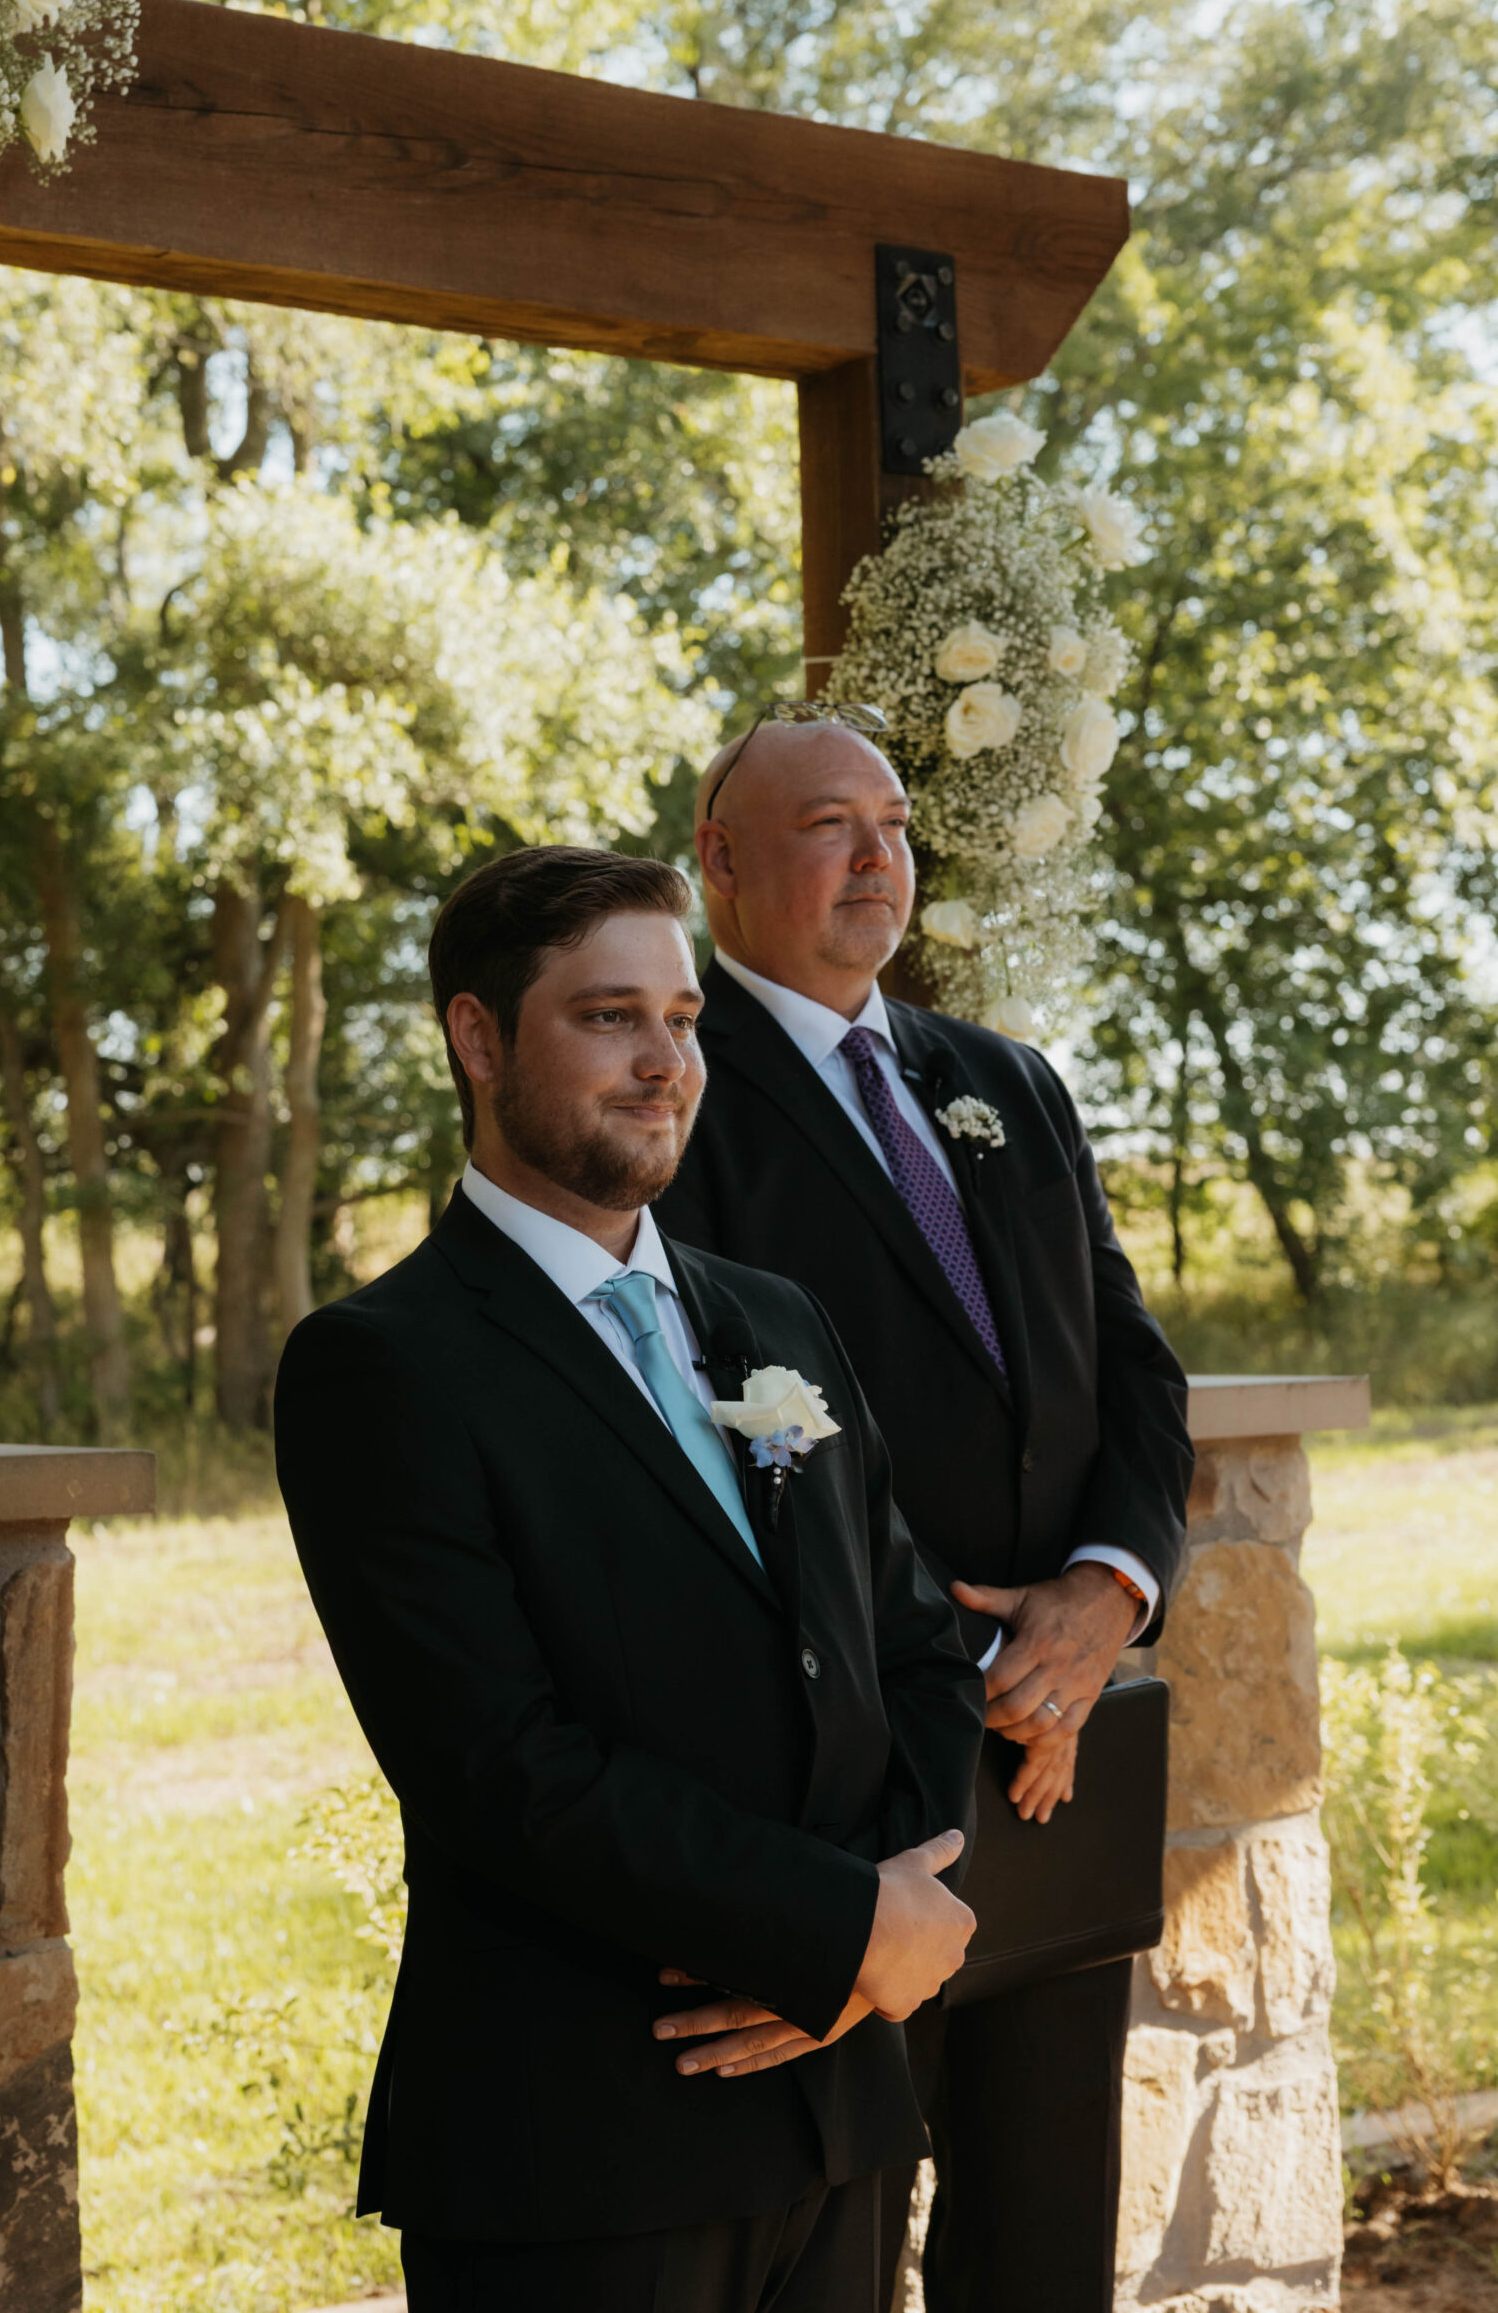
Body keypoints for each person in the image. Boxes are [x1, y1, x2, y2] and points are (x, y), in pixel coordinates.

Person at [275, 843, 988, 2313]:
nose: (666, 1062)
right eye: (610, 1018)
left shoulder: (776, 1318)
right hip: (586, 2145)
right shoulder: (384, 1367)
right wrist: (828, 1931)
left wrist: (870, 1942)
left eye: (682, 1019)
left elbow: (912, 1648)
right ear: (479, 1040)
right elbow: (498, 1768)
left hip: (839, 2111)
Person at [654, 708, 1195, 2313]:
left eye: (892, 825)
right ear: (721, 859)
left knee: (1043, 2237)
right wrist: (948, 1660)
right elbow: (680, 1440)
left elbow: (1132, 1366)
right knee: (834, 2240)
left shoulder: (1005, 1083)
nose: (877, 856)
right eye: (830, 824)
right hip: (840, 1782)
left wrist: (1105, 1591)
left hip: (1055, 1762)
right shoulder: (674, 1093)